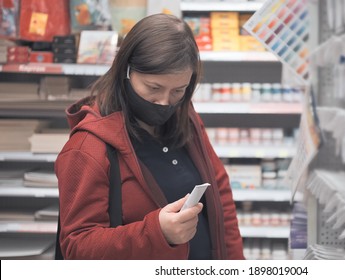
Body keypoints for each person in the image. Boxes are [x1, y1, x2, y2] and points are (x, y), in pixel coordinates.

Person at [55, 13, 244, 260]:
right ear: (126, 71)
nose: (165, 102)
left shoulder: (186, 120)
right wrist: (157, 233)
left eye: (178, 90)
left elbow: (220, 197)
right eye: (153, 88)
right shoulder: (87, 147)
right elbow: (77, 247)